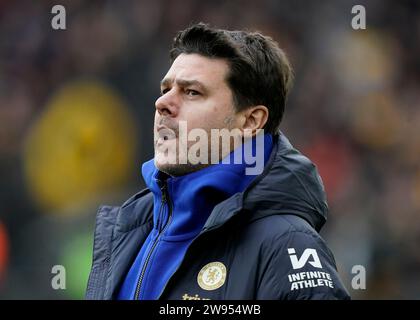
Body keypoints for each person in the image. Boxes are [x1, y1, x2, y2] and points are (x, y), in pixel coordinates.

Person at [86, 23, 350, 300]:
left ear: (250, 121)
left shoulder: (286, 245)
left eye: (192, 92)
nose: (162, 103)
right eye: (166, 88)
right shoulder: (128, 231)